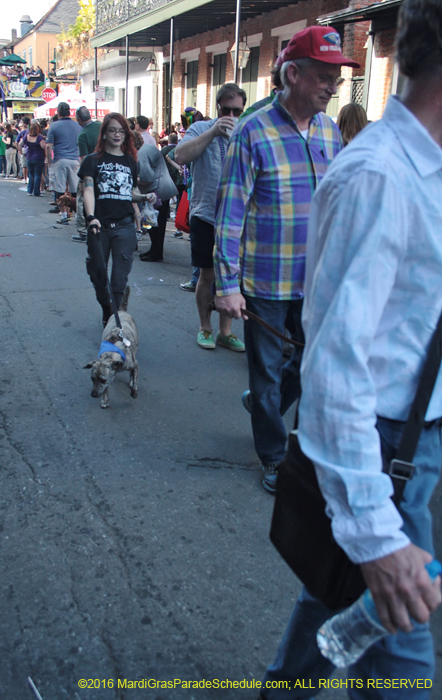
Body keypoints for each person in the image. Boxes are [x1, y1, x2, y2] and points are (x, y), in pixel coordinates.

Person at [259, 1, 442, 697]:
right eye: (323, 72)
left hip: (416, 444)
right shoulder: (377, 176)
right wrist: (374, 534)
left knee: (337, 592)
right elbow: (335, 373)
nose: (334, 84)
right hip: (380, 444)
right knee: (401, 655)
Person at [213, 29, 355, 492]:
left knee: (309, 364)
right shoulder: (253, 130)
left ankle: (262, 405)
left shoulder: (330, 131)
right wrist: (227, 284)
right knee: (267, 371)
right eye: (325, 76)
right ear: (293, 74)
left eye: (337, 78)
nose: (333, 87)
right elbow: (230, 216)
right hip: (265, 282)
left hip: (316, 281)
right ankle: (274, 457)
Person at [174, 84, 247, 353]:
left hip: (238, 218)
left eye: (236, 111)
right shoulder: (200, 128)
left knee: (231, 274)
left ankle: (225, 332)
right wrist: (215, 130)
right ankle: (205, 327)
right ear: (217, 108)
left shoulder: (246, 131)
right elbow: (181, 156)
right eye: (225, 110)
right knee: (207, 274)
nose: (230, 115)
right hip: (205, 213)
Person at [78, 113, 156, 326]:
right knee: (98, 273)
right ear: (104, 134)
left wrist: (143, 197)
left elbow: (127, 192)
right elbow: (88, 190)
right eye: (112, 130)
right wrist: (91, 217)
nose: (117, 134)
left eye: (121, 131)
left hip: (124, 226)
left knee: (119, 278)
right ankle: (107, 307)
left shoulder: (131, 161)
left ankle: (114, 319)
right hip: (99, 227)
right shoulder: (92, 161)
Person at [136, 134, 178, 262]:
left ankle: (156, 252)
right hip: (163, 187)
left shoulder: (141, 153)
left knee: (155, 224)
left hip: (157, 190)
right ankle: (154, 250)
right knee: (157, 224)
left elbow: (147, 177)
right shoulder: (148, 147)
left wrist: (134, 180)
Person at [46, 102, 82, 225]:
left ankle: (63, 215)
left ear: (58, 112)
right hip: (75, 159)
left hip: (60, 159)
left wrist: (49, 161)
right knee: (75, 189)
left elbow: (48, 146)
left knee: (60, 189)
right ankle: (78, 215)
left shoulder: (54, 126)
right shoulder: (78, 126)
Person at [73, 106, 102, 243]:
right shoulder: (101, 126)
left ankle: (83, 230)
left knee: (82, 199)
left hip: (91, 172)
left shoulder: (83, 135)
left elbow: (84, 159)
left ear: (79, 119)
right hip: (105, 169)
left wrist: (82, 179)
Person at [23, 121, 46, 196]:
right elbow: (43, 146)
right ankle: (36, 191)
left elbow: (20, 144)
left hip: (29, 157)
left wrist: (21, 151)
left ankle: (29, 190)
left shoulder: (27, 136)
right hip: (38, 157)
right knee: (37, 174)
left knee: (31, 174)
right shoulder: (39, 137)